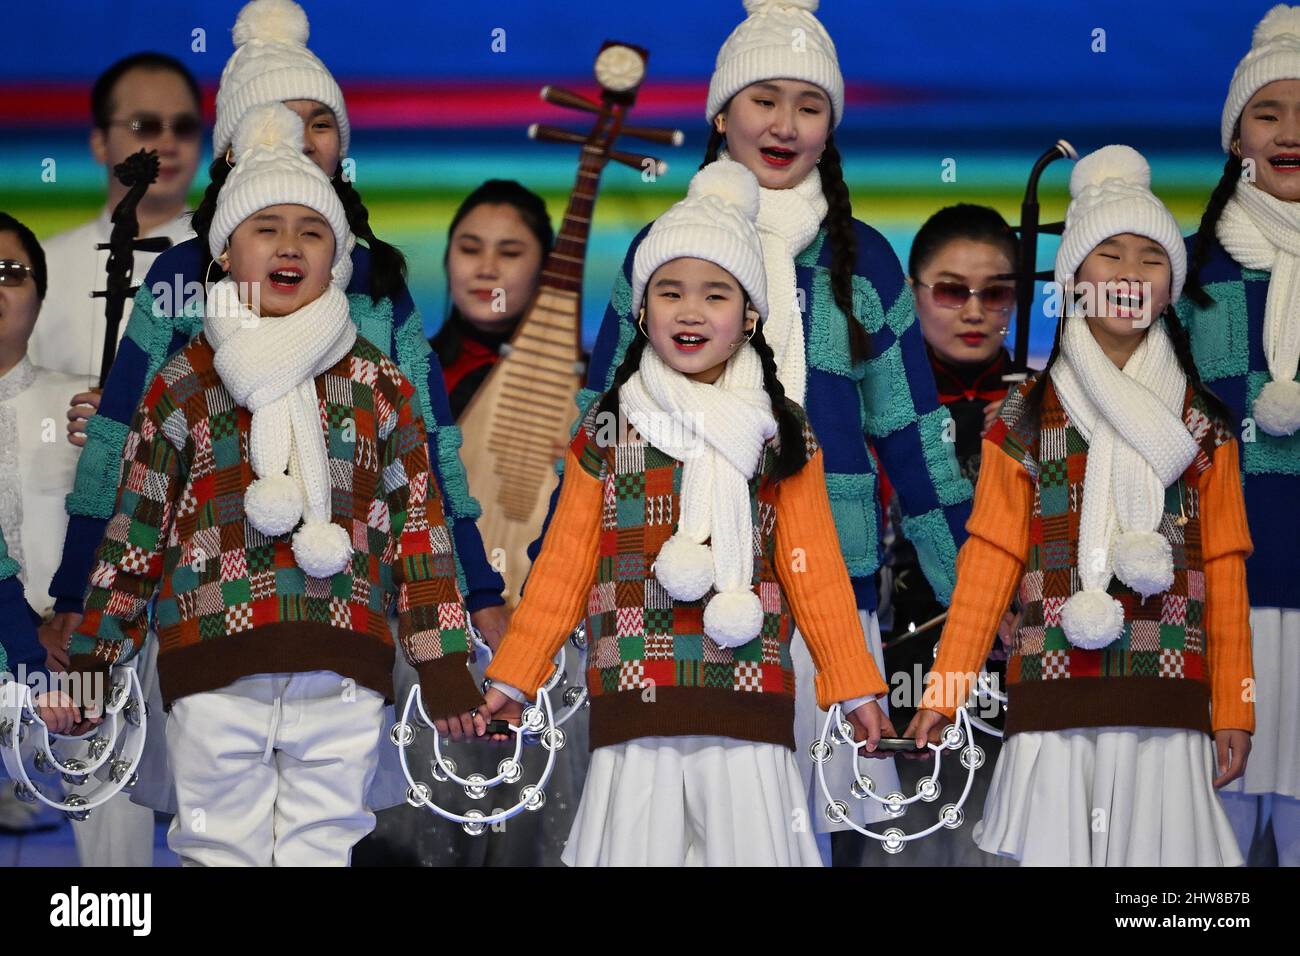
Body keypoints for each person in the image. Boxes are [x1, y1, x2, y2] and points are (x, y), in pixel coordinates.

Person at [567, 0, 971, 861]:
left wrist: (972, 590)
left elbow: (913, 436)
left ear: (831, 127)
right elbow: (599, 418)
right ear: (720, 114)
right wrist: (557, 584)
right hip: (665, 589)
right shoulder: (662, 250)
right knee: (667, 833)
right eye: (763, 100)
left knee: (805, 834)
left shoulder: (863, 260)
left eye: (809, 105)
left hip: (830, 587)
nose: (784, 125)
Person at [66, 104, 483, 867]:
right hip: (213, 657)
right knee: (219, 845)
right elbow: (137, 529)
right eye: (266, 228)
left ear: (338, 262)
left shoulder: (378, 382)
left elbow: (418, 532)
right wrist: (95, 657)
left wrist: (444, 661)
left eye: (312, 232)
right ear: (224, 254)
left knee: (324, 844)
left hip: (343, 660)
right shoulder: (186, 381)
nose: (289, 245)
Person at [473, 158, 894, 866]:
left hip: (748, 701)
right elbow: (565, 568)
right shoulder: (608, 426)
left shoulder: (780, 431)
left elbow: (815, 570)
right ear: (642, 312)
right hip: (633, 701)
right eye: (670, 292)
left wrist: (854, 688)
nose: (691, 310)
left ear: (750, 315)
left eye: (715, 294)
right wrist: (516, 678)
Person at [909, 146, 1254, 866]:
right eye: (1109, 256)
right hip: (1054, 694)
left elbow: (1224, 574)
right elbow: (989, 562)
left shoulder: (1204, 427)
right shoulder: (1026, 417)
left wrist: (1235, 708)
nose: (1129, 274)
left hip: (1169, 699)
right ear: (1073, 281)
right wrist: (944, 690)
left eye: (1150, 259)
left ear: (1171, 285)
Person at [1181, 3, 1300, 866]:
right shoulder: (1182, 272)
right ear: (1236, 136)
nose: (1291, 132)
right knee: (1200, 861)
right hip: (1213, 607)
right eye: (1269, 112)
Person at [877, 204, 1021, 867]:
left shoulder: (1049, 408)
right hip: (886, 680)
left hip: (1012, 682)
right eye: (951, 289)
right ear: (912, 295)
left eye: (994, 293)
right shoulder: (868, 415)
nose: (973, 311)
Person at [30, 52, 201, 390]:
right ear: (99, 143)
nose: (168, 144)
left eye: (184, 128)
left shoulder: (230, 263)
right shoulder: (43, 266)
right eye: (144, 126)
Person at [431, 180, 554, 419]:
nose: (487, 269)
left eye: (510, 253)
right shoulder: (403, 373)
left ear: (546, 269)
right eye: (469, 249)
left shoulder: (589, 381)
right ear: (447, 261)